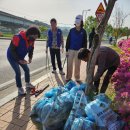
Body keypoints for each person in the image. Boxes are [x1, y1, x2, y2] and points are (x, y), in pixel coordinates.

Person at [7, 26, 41, 96]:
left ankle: (27, 84)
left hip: (20, 57)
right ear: (30, 34)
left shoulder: (32, 40)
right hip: (12, 57)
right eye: (35, 37)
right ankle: (19, 88)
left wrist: (30, 57)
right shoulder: (17, 37)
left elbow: (31, 49)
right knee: (18, 72)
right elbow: (12, 50)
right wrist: (19, 60)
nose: (35, 39)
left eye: (36, 38)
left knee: (27, 70)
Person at [66, 15, 87, 83]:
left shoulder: (83, 32)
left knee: (77, 65)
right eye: (76, 23)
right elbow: (68, 40)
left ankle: (77, 77)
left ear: (81, 22)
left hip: (79, 51)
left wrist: (84, 52)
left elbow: (85, 42)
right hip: (71, 50)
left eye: (79, 22)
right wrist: (67, 50)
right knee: (69, 64)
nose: (77, 24)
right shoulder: (71, 30)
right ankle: (68, 77)